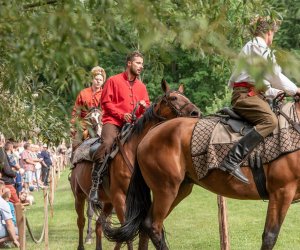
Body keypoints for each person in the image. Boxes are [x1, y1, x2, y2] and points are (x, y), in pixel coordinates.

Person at [221, 15, 300, 184]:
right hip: (245, 96)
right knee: (270, 121)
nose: (273, 37)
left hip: (253, 94)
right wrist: (295, 90)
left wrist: (280, 92)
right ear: (269, 32)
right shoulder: (258, 46)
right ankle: (232, 159)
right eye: (273, 34)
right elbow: (274, 75)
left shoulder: (256, 48)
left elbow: (265, 84)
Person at [89, 51, 150, 202]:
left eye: (142, 64)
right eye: (138, 63)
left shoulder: (142, 87)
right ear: (129, 63)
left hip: (135, 124)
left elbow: (147, 107)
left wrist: (143, 106)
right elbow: (106, 103)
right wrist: (122, 115)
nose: (141, 66)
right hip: (113, 122)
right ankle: (95, 184)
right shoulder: (113, 80)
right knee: (107, 143)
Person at [71, 66, 106, 149]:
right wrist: (73, 125)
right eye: (96, 79)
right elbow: (76, 111)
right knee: (76, 143)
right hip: (84, 124)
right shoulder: (83, 93)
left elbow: (107, 110)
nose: (98, 81)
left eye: (100, 80)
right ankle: (75, 160)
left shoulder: (105, 93)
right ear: (92, 79)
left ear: (103, 82)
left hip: (100, 123)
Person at [0, 180, 19, 248]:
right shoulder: (3, 203)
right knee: (17, 231)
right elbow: (9, 223)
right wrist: (14, 240)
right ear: (2, 190)